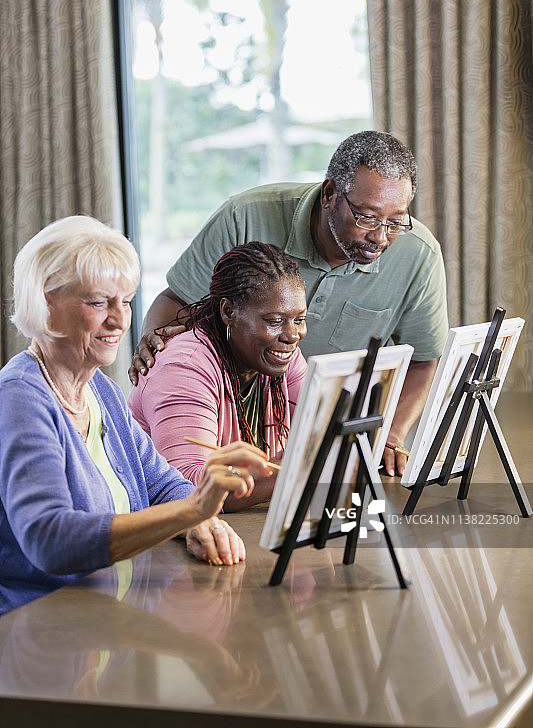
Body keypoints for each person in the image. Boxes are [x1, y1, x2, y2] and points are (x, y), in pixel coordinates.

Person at [129, 130, 449, 477]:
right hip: (216, 428)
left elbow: (423, 361)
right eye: (367, 218)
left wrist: (386, 436)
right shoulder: (244, 217)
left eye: (395, 221)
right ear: (329, 194)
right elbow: (177, 301)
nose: (381, 236)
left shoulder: (418, 253)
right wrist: (158, 354)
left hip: (277, 432)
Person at [0, 216, 271, 615]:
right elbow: (50, 541)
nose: (120, 319)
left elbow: (160, 484)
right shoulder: (20, 399)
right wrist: (193, 510)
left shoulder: (101, 390)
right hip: (43, 629)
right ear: (46, 304)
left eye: (125, 300)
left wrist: (198, 519)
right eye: (98, 302)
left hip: (114, 616)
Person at [128, 242, 308, 511]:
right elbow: (189, 487)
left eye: (299, 319)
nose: (292, 335)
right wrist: (303, 464)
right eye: (274, 321)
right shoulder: (184, 367)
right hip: (163, 533)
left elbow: (316, 432)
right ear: (228, 312)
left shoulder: (280, 355)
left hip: (236, 524)